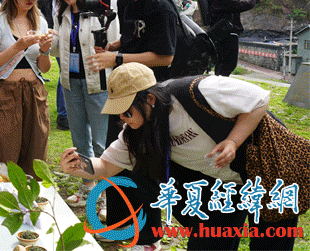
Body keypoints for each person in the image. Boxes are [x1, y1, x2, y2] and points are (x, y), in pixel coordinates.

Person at [60, 62, 298, 251]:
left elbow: (259, 99)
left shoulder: (197, 91)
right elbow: (106, 166)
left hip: (268, 171)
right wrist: (78, 165)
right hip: (224, 185)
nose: (122, 118)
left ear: (149, 100)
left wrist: (234, 141)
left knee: (271, 243)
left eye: (126, 110)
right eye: (118, 113)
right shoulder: (135, 132)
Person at [87, 0, 178, 250]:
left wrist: (117, 58)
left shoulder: (161, 3)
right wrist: (114, 47)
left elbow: (164, 56)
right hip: (124, 92)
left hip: (150, 100)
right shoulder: (126, 0)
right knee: (117, 154)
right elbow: (131, 40)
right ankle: (117, 223)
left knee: (145, 164)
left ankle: (148, 236)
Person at [51, 0, 116, 209]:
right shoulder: (62, 13)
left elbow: (113, 44)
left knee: (101, 142)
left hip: (98, 82)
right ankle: (88, 187)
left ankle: (106, 194)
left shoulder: (100, 11)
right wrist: (49, 42)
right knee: (79, 139)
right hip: (71, 82)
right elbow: (59, 48)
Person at [0, 0, 52, 177]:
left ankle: (30, 202)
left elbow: (44, 68)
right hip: (5, 94)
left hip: (34, 93)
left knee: (35, 152)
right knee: (4, 154)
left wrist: (45, 51)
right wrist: (18, 46)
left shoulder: (40, 22)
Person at [209, 0, 264, 76]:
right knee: (228, 64)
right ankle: (220, 88)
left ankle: (217, 86)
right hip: (227, 31)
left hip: (219, 30)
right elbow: (240, 5)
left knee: (222, 62)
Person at [37, 0, 69, 131]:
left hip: (64, 42)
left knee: (64, 74)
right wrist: (46, 29)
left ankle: (64, 114)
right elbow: (36, 12)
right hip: (51, 41)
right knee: (63, 75)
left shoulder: (70, 3)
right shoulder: (45, 1)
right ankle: (63, 115)